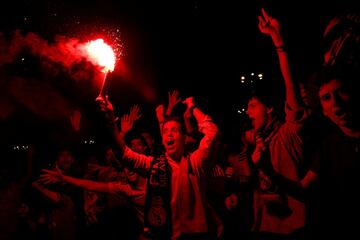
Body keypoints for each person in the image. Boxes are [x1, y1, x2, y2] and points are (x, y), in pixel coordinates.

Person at [96, 95, 220, 240]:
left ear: (184, 137)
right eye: (165, 132)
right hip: (163, 235)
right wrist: (111, 122)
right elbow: (124, 154)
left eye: (174, 130)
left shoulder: (196, 162)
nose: (169, 135)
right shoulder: (154, 165)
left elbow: (212, 132)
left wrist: (192, 107)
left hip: (195, 235)